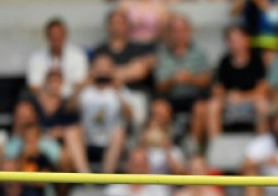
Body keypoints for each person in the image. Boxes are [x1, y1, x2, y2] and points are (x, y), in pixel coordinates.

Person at [154, 14, 212, 143]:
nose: (179, 34)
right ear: (170, 33)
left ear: (189, 31)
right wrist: (172, 80)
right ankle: (166, 147)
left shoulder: (200, 53)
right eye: (175, 30)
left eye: (182, 30)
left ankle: (193, 146)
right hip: (171, 98)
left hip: (195, 97)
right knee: (159, 108)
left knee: (201, 108)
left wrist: (190, 79)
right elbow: (159, 85)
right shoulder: (163, 55)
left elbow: (207, 80)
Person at [73, 54, 132, 174]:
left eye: (105, 67)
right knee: (72, 131)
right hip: (87, 140)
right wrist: (81, 87)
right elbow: (69, 109)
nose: (102, 71)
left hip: (110, 142)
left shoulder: (120, 90)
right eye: (99, 67)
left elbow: (130, 116)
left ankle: (106, 177)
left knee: (119, 133)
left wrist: (118, 92)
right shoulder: (86, 91)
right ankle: (85, 178)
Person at [206, 27, 269, 137]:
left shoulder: (257, 60)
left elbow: (262, 89)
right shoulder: (224, 61)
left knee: (263, 105)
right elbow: (217, 89)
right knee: (212, 106)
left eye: (239, 39)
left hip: (251, 100)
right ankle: (216, 142)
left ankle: (262, 141)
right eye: (232, 40)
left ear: (246, 40)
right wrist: (229, 96)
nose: (236, 44)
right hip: (229, 101)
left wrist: (242, 97)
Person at [93, 10, 155, 93]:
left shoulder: (138, 49)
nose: (116, 27)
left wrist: (108, 72)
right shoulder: (100, 50)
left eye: (120, 23)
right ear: (108, 26)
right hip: (109, 93)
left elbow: (139, 72)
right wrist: (128, 69)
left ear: (127, 25)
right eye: (113, 23)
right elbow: (95, 75)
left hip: (135, 92)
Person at [26, 19, 89, 98]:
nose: (56, 39)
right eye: (53, 36)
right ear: (47, 37)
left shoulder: (78, 55)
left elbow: (79, 84)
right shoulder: (36, 58)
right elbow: (34, 86)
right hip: (44, 100)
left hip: (70, 99)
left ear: (65, 35)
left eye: (59, 35)